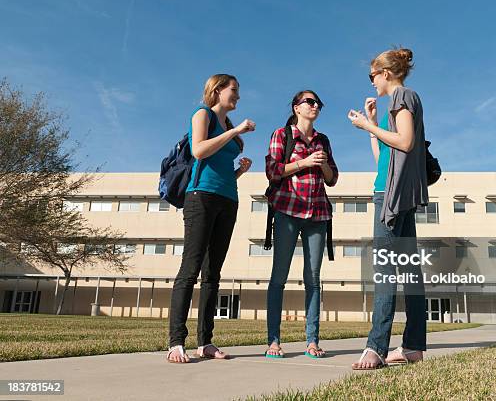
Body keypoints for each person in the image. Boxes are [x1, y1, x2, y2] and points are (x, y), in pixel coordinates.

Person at [348, 47, 429, 369]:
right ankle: (412, 347)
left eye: (372, 76)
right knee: (410, 273)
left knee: (384, 271)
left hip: (390, 196)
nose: (371, 83)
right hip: (397, 191)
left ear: (385, 73)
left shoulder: (401, 97)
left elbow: (406, 142)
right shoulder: (400, 102)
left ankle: (376, 347)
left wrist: (368, 127)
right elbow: (385, 156)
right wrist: (370, 122)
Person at [167, 74, 255, 363]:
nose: (238, 96)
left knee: (212, 274)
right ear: (217, 90)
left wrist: (239, 172)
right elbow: (199, 150)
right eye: (234, 90)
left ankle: (205, 342)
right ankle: (175, 342)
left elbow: (219, 169)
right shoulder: (202, 114)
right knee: (190, 268)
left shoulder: (228, 126)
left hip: (228, 199)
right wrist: (236, 131)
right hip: (200, 197)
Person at [264, 90, 339, 359]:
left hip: (317, 213)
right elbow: (273, 170)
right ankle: (273, 341)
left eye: (318, 102)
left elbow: (333, 178)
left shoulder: (323, 140)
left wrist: (322, 166)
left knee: (313, 279)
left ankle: (312, 341)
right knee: (279, 277)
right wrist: (305, 162)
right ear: (297, 107)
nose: (315, 105)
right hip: (286, 209)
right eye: (310, 102)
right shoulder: (282, 135)